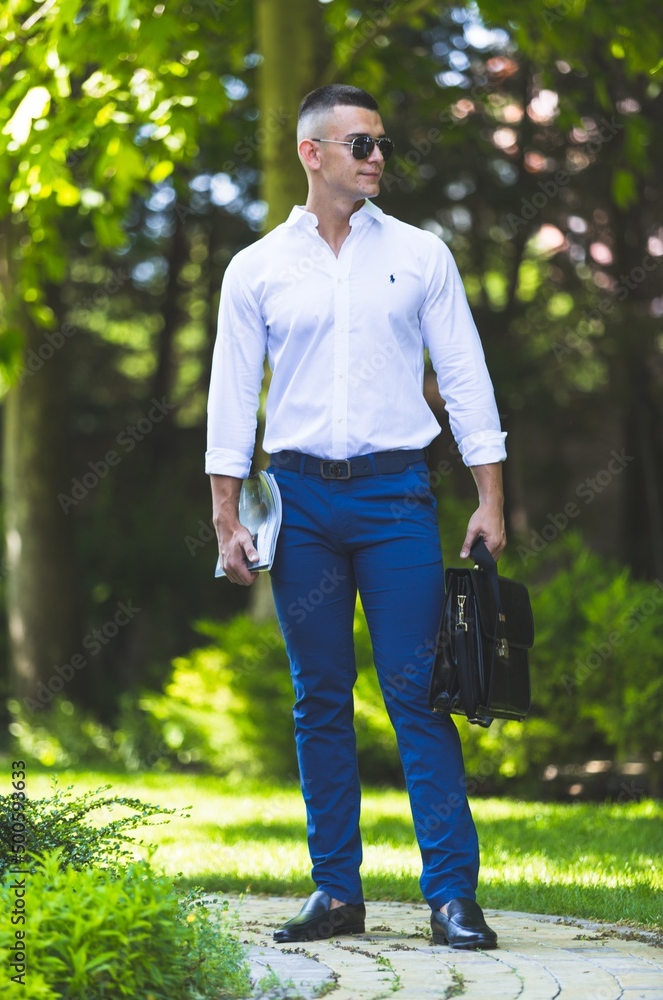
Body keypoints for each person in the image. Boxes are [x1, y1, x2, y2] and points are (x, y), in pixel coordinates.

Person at [206, 84, 507, 950]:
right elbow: (231, 400)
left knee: (419, 695)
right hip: (295, 505)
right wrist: (226, 516)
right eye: (359, 144)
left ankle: (452, 894)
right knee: (318, 700)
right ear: (312, 154)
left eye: (380, 143)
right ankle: (336, 893)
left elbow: (465, 379)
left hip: (395, 498)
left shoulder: (420, 256)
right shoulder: (257, 267)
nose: (376, 156)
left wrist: (490, 497)